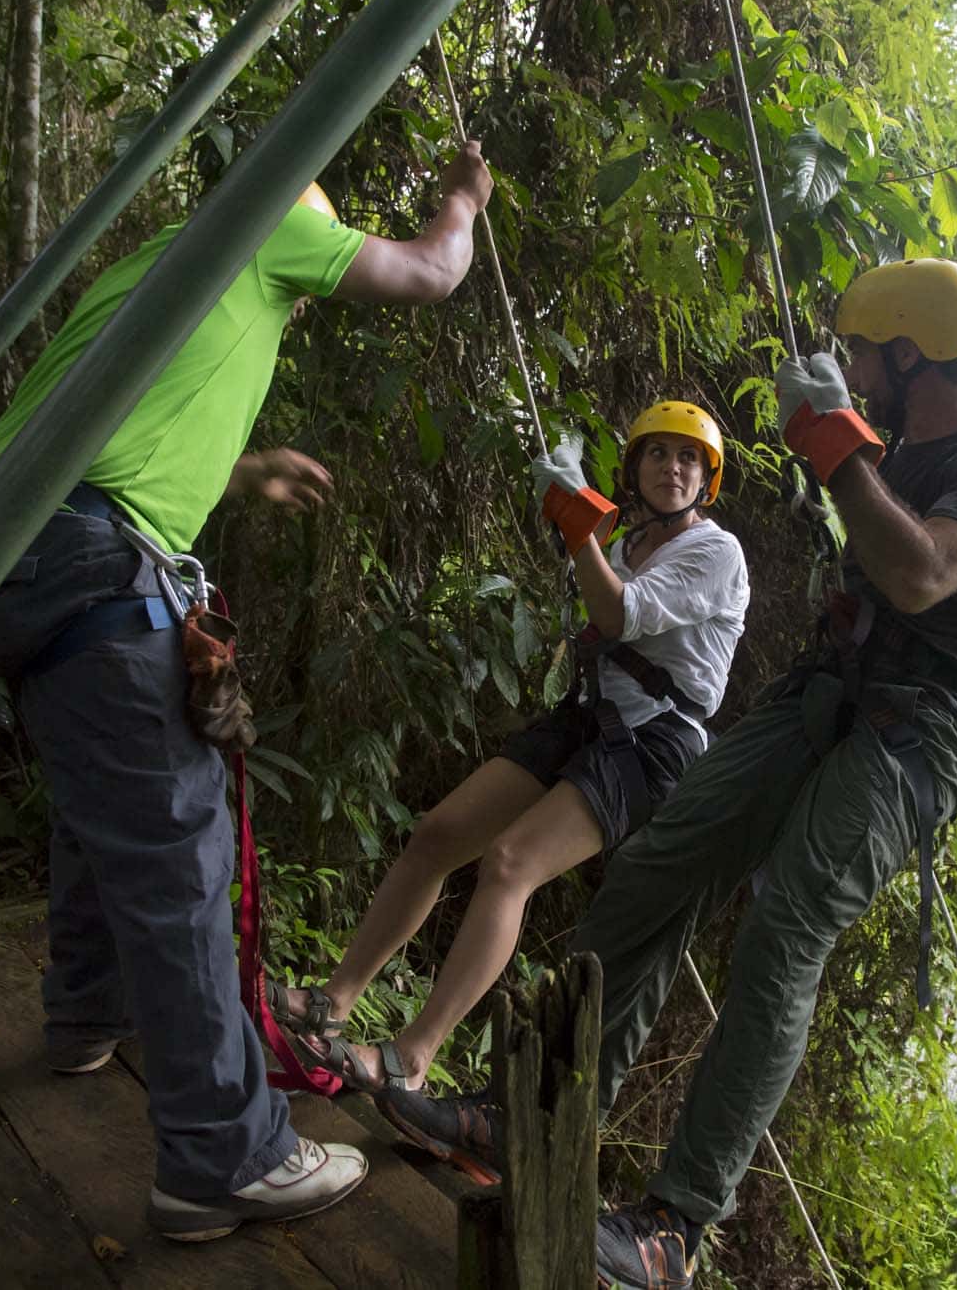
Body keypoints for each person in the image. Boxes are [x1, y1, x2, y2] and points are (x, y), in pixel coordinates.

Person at [410, 258, 957, 1287]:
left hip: (911, 739)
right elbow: (878, 583)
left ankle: (673, 1225)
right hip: (825, 700)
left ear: (904, 352)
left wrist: (836, 449)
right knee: (659, 859)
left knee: (783, 926)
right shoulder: (894, 454)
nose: (848, 371)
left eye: (859, 355)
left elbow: (925, 575)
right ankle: (522, 1118)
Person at [0, 143, 494, 1242]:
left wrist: (244, 474)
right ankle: (224, 1154)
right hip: (95, 554)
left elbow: (123, 426)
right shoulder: (268, 228)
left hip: (10, 548)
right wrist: (462, 203)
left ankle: (81, 1016)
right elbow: (432, 274)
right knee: (178, 839)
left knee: (99, 791)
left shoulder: (155, 271)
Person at [267, 402, 750, 1178]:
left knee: (509, 862)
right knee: (437, 833)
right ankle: (334, 999)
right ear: (636, 470)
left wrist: (576, 530)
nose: (674, 469)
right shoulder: (626, 542)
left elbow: (618, 613)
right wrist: (586, 531)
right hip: (592, 716)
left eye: (690, 460)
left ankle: (410, 1055)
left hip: (654, 744)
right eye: (658, 455)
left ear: (708, 479)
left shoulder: (715, 552)